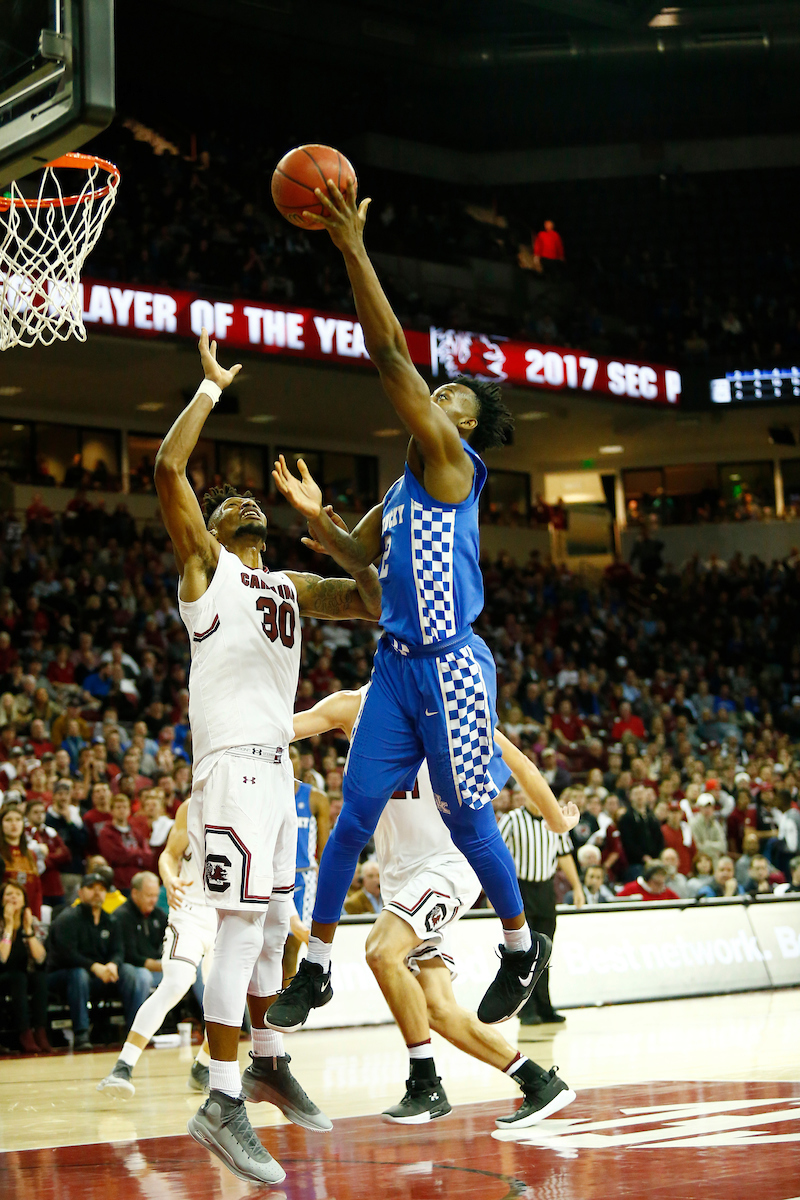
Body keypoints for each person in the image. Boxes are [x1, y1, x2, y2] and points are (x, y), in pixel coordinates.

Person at [269, 177, 546, 1037]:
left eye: (451, 404)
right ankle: (314, 969)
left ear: (457, 427)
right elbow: (362, 573)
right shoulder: (397, 493)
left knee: (468, 815)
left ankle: (518, 946)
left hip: (453, 661)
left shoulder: (453, 465)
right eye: (443, 398)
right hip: (395, 664)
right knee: (349, 815)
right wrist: (320, 523)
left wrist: (352, 247)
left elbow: (392, 358)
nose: (438, 406)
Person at [154, 330, 380, 1185]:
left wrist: (329, 523)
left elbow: (369, 600)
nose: (241, 501)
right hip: (232, 770)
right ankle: (220, 1098)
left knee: (280, 925)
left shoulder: (286, 585)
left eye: (250, 500)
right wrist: (209, 390)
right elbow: (168, 476)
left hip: (277, 772)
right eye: (229, 502)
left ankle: (269, 1060)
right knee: (241, 927)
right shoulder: (204, 570)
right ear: (211, 530)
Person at [289, 687, 578, 1126]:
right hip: (400, 880)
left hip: (448, 868)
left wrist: (557, 820)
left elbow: (517, 761)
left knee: (380, 950)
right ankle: (539, 1083)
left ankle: (425, 1085)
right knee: (437, 1009)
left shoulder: (446, 701)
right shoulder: (356, 705)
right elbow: (286, 727)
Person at [97, 801, 216, 1098]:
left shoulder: (251, 803)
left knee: (226, 998)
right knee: (176, 982)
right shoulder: (195, 805)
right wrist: (169, 877)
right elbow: (168, 855)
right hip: (188, 911)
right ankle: (123, 1066)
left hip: (227, 916)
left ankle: (202, 1066)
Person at [497, 779, 584, 1025]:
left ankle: (545, 1006)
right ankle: (526, 1010)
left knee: (545, 951)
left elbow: (564, 855)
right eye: (529, 793)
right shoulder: (513, 820)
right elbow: (497, 855)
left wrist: (577, 887)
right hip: (520, 890)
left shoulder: (555, 820)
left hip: (546, 890)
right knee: (525, 952)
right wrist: (497, 893)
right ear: (524, 795)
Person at [46, 872, 143, 1049]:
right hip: (63, 976)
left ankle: (134, 1032)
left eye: (101, 889)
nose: (97, 893)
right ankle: (81, 1034)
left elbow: (118, 950)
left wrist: (113, 964)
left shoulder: (111, 919)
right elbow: (66, 954)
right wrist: (94, 967)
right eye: (91, 888)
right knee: (79, 975)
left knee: (130, 972)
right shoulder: (68, 919)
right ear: (80, 892)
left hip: (100, 975)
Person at [0, 878, 50, 1053]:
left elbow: (40, 959)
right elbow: (2, 958)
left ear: (24, 900)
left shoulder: (33, 922)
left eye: (17, 894)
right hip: (5, 975)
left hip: (26, 973)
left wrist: (28, 932)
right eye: (8, 894)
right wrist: (8, 926)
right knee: (18, 978)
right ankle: (24, 1032)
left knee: (40, 978)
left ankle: (40, 1030)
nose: (13, 898)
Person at [112, 870, 167, 1019]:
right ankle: (136, 1027)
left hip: (156, 966)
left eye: (155, 895)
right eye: (149, 895)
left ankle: (206, 1024)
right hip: (130, 968)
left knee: (192, 971)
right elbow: (128, 955)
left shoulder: (158, 914)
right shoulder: (121, 916)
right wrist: (160, 966)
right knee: (142, 977)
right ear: (135, 893)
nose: (153, 900)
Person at [97, 795, 155, 892]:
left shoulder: (136, 832)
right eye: (118, 807)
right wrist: (138, 856)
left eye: (124, 807)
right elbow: (116, 856)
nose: (122, 810)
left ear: (129, 810)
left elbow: (148, 857)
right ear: (112, 811)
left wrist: (130, 854)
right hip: (119, 883)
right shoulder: (106, 832)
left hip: (138, 883)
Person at [1, 806, 43, 918]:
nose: (14, 824)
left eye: (18, 819)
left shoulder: (31, 855)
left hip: (27, 915)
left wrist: (36, 916)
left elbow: (37, 890)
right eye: (8, 820)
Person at [690, 794, 727, 864]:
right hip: (699, 862)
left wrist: (707, 844)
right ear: (699, 808)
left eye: (710, 807)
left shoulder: (716, 825)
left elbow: (723, 846)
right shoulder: (693, 824)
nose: (707, 809)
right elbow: (697, 847)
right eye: (705, 807)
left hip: (714, 861)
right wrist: (714, 848)